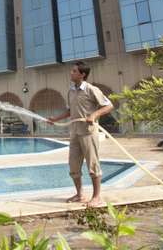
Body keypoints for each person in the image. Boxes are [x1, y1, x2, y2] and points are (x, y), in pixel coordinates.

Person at [47, 61, 114, 207]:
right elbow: (70, 111)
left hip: (88, 133)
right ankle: (80, 194)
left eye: (74, 71)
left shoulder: (91, 89)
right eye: (72, 71)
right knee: (73, 166)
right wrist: (55, 119)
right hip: (75, 133)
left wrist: (94, 115)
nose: (71, 73)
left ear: (82, 74)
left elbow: (108, 105)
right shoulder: (71, 91)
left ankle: (96, 197)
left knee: (93, 165)